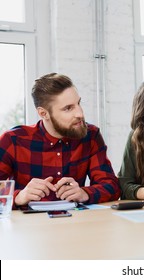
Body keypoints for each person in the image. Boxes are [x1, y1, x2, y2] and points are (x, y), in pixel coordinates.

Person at [0, 73, 121, 208]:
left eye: (78, 103)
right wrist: (19, 196)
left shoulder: (90, 135)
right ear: (43, 113)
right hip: (28, 226)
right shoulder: (12, 140)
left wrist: (84, 193)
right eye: (68, 108)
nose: (80, 114)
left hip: (77, 224)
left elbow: (112, 186)